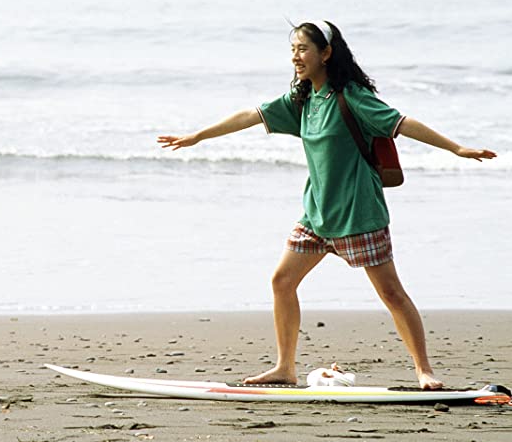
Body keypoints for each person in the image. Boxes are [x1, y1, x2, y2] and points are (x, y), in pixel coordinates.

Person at [158, 20, 496, 390]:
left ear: (326, 53)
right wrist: (198, 136)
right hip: (316, 215)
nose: (295, 57)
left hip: (358, 214)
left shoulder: (351, 97)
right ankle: (285, 367)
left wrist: (457, 148)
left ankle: (424, 370)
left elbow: (402, 123)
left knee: (391, 293)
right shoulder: (302, 100)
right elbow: (250, 116)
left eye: (303, 49)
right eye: (293, 50)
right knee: (282, 281)